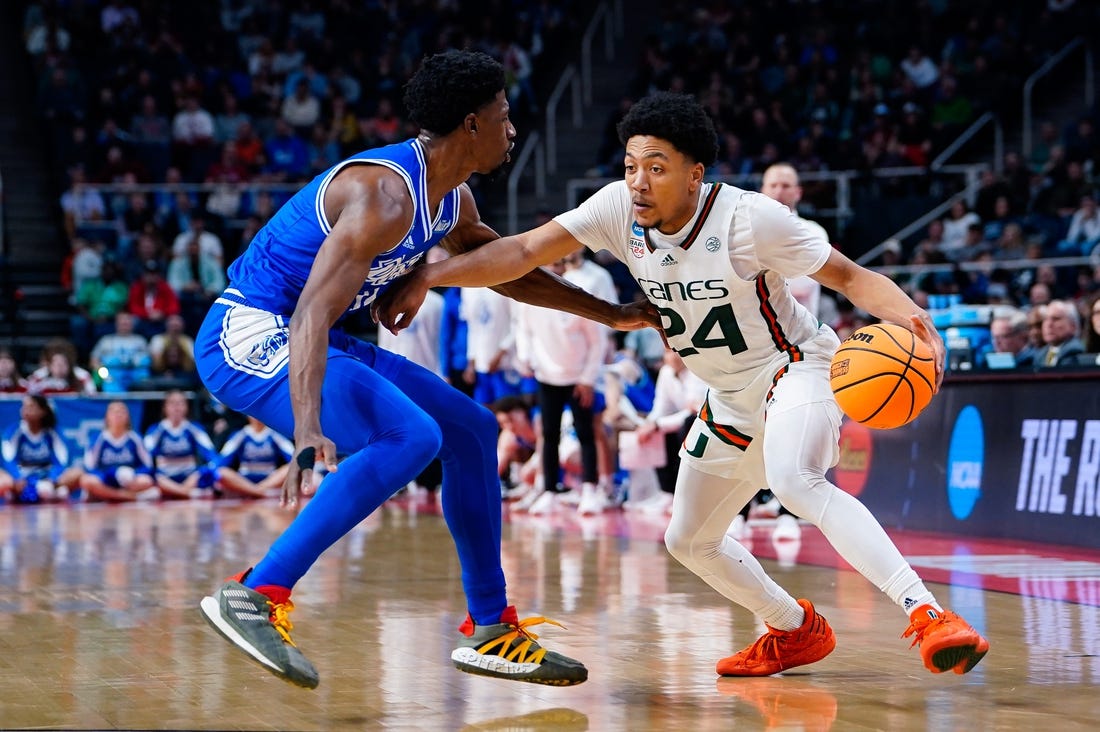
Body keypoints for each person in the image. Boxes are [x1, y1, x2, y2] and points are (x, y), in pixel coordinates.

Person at [376, 91, 989, 678]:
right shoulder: (617, 208)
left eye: (657, 168)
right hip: (725, 397)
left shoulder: (752, 220)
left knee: (795, 481)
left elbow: (851, 278)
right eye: (631, 165)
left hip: (792, 368)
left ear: (695, 174)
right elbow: (523, 252)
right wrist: (434, 274)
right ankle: (792, 627)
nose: (638, 181)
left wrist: (919, 325)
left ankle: (927, 613)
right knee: (688, 539)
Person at [193, 50, 655, 690]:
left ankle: (491, 627)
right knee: (412, 436)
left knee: (471, 429)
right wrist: (306, 429)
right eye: (503, 115)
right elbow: (305, 318)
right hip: (250, 334)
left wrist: (611, 313)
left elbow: (511, 269)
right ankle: (258, 593)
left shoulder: (452, 200)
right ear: (470, 125)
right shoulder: (383, 195)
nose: (512, 128)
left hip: (315, 335)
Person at [0, 394, 82, 503]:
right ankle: (43, 494)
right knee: (4, 480)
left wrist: (52, 479)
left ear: (42, 411)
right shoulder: (14, 431)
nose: (26, 410)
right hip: (22, 476)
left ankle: (49, 491)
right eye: (24, 407)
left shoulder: (52, 432)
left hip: (46, 475)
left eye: (31, 407)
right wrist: (18, 478)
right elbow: (8, 460)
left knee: (77, 473)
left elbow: (61, 461)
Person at [143, 390, 219, 499]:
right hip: (165, 478)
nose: (176, 407)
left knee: (208, 473)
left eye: (180, 403)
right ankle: (189, 493)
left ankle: (175, 492)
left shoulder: (194, 428)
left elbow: (211, 454)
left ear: (186, 407)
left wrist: (205, 471)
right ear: (165, 407)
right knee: (151, 477)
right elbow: (145, 457)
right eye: (172, 403)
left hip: (190, 477)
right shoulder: (156, 430)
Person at [79, 400, 158, 502]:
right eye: (114, 412)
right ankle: (130, 497)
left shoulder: (135, 438)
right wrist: (109, 475)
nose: (118, 415)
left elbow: (148, 465)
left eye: (122, 412)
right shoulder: (99, 438)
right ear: (107, 417)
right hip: (106, 480)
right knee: (86, 481)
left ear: (128, 417)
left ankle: (105, 495)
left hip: (129, 481)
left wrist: (134, 473)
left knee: (147, 481)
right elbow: (89, 466)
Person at [215, 416, 294, 499]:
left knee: (291, 468)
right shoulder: (240, 434)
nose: (256, 417)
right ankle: (259, 492)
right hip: (244, 478)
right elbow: (223, 459)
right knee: (221, 472)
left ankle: (253, 491)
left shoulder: (275, 434)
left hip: (270, 478)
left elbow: (293, 458)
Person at [1033, 299, 1086, 367]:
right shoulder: (1040, 355)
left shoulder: (1074, 352)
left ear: (1073, 326)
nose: (1049, 324)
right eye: (1045, 319)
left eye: (1056, 319)